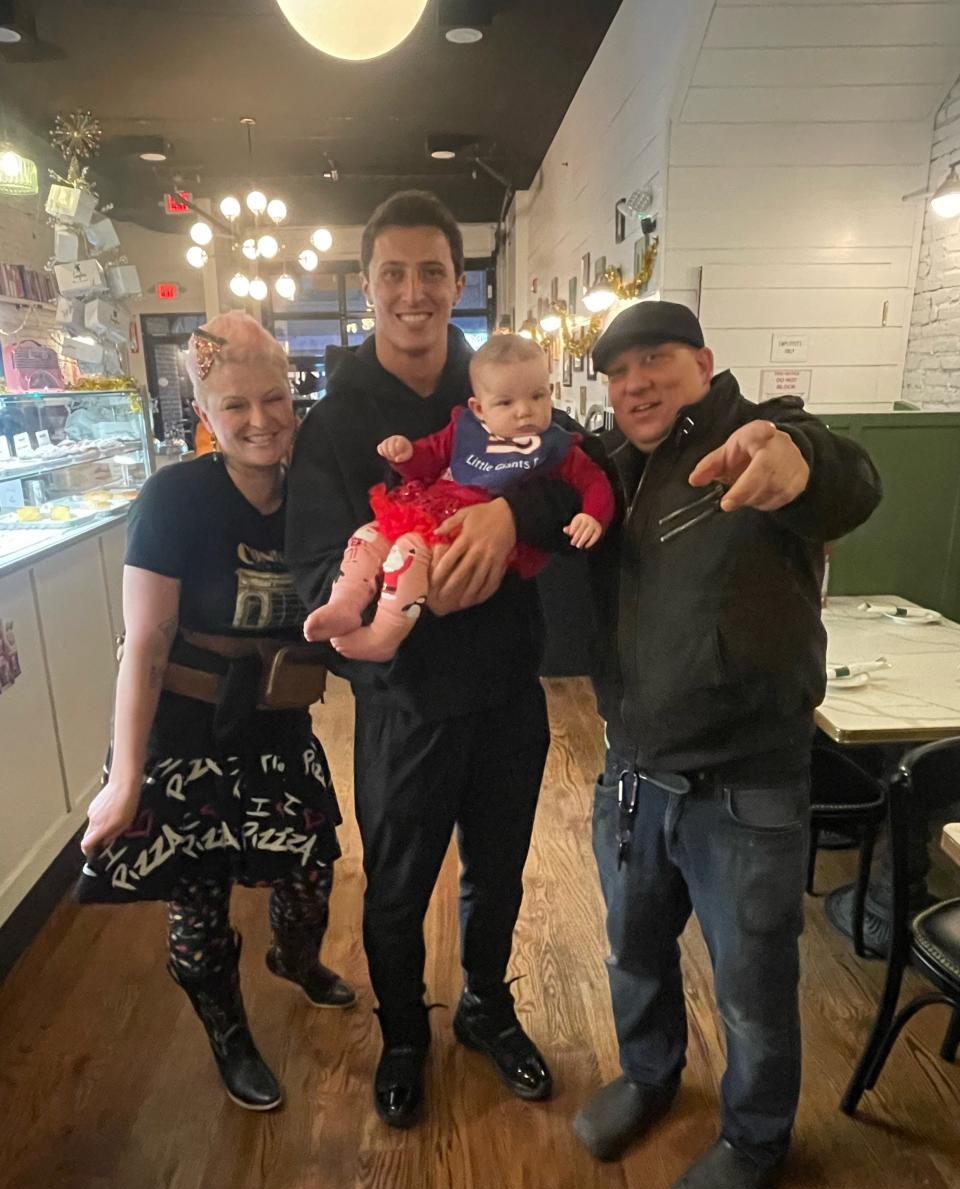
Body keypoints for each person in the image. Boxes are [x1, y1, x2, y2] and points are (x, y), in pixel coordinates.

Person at [572, 301, 882, 1189]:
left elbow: (851, 481)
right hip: (631, 772)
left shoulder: (764, 442)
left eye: (657, 358)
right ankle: (650, 1075)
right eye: (620, 370)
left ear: (705, 361)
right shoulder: (610, 472)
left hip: (744, 787)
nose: (637, 383)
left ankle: (755, 1138)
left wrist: (804, 461)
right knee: (633, 950)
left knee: (751, 984)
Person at [286, 191, 582, 1128]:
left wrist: (514, 514)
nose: (413, 292)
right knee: (398, 885)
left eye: (431, 272)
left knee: (499, 870)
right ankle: (405, 1030)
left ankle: (488, 1007)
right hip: (403, 699)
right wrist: (380, 638)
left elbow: (579, 473)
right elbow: (311, 563)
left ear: (459, 282)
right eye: (393, 273)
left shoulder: (503, 386)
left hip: (505, 688)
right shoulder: (336, 424)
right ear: (368, 286)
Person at [77, 311, 353, 1113]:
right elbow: (146, 644)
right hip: (185, 732)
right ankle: (228, 1029)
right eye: (236, 406)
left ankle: (294, 960)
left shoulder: (315, 491)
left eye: (274, 399)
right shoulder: (173, 499)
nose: (261, 420)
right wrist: (126, 778)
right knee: (197, 902)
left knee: (308, 878)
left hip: (276, 720)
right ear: (206, 416)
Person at [303, 333, 614, 662]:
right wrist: (406, 455)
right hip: (428, 510)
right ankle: (345, 603)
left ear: (549, 393)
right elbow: (430, 455)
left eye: (537, 396)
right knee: (367, 535)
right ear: (479, 408)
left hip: (459, 540)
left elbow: (596, 481)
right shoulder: (464, 430)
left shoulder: (557, 444)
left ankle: (382, 636)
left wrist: (591, 515)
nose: (525, 412)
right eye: (506, 403)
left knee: (408, 553)